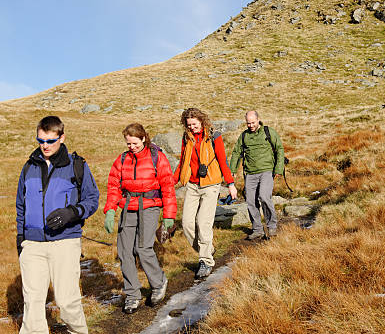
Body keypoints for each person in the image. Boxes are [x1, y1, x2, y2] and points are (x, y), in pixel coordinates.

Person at [15, 116, 99, 334]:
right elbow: (20, 205)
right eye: (40, 140)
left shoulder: (76, 165)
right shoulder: (29, 167)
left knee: (66, 301)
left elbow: (91, 199)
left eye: (50, 141)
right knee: (32, 302)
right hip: (32, 243)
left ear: (62, 137)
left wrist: (72, 212)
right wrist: (21, 240)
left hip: (65, 241)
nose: (44, 146)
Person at [103, 123, 177, 314]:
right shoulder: (122, 159)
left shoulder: (157, 157)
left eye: (134, 143)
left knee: (143, 248)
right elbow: (113, 186)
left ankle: (158, 282)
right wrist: (110, 210)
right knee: (125, 251)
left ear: (143, 139)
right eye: (128, 144)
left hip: (150, 207)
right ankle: (132, 295)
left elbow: (168, 187)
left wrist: (169, 216)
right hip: (128, 207)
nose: (131, 147)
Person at [173, 108, 237, 279]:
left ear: (202, 121)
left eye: (195, 124)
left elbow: (223, 161)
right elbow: (182, 161)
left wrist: (230, 184)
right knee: (187, 224)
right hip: (192, 185)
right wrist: (171, 182)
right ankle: (207, 249)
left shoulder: (213, 135)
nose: (192, 127)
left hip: (211, 184)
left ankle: (206, 261)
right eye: (189, 125)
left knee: (203, 222)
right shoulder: (186, 137)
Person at [229, 110, 285, 240]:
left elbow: (279, 149)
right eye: (248, 123)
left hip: (266, 171)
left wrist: (278, 168)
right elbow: (237, 152)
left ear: (258, 119)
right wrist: (232, 169)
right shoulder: (244, 136)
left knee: (264, 197)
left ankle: (272, 227)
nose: (251, 125)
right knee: (250, 201)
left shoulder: (268, 132)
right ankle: (257, 229)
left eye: (253, 122)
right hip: (250, 173)